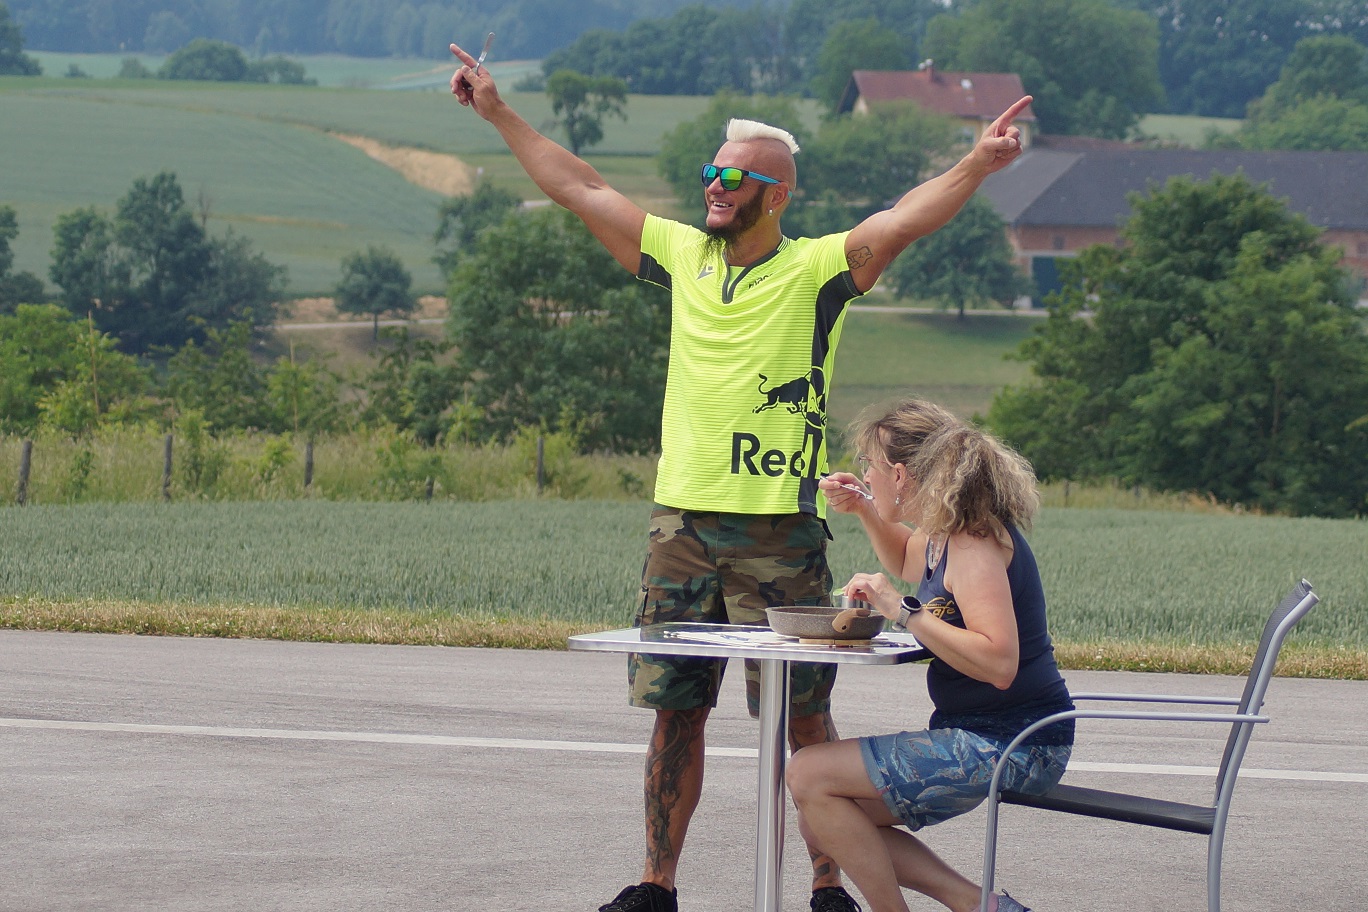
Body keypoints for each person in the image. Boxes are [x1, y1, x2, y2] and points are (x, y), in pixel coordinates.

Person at [449, 42, 1033, 912]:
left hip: (780, 530)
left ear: (777, 195)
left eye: (734, 178)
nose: (715, 187)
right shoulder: (684, 256)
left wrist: (977, 164)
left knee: (800, 719)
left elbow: (905, 218)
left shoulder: (817, 270)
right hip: (679, 528)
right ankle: (656, 888)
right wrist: (496, 111)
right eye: (710, 173)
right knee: (674, 711)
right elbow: (579, 187)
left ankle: (828, 887)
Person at [789, 398, 1074, 912]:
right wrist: (864, 510)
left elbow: (999, 664)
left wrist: (902, 610)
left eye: (870, 467)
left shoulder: (972, 544)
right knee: (823, 811)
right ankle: (980, 906)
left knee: (809, 775)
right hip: (986, 731)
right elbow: (902, 556)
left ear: (899, 474)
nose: (865, 476)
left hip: (1017, 741)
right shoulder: (945, 532)